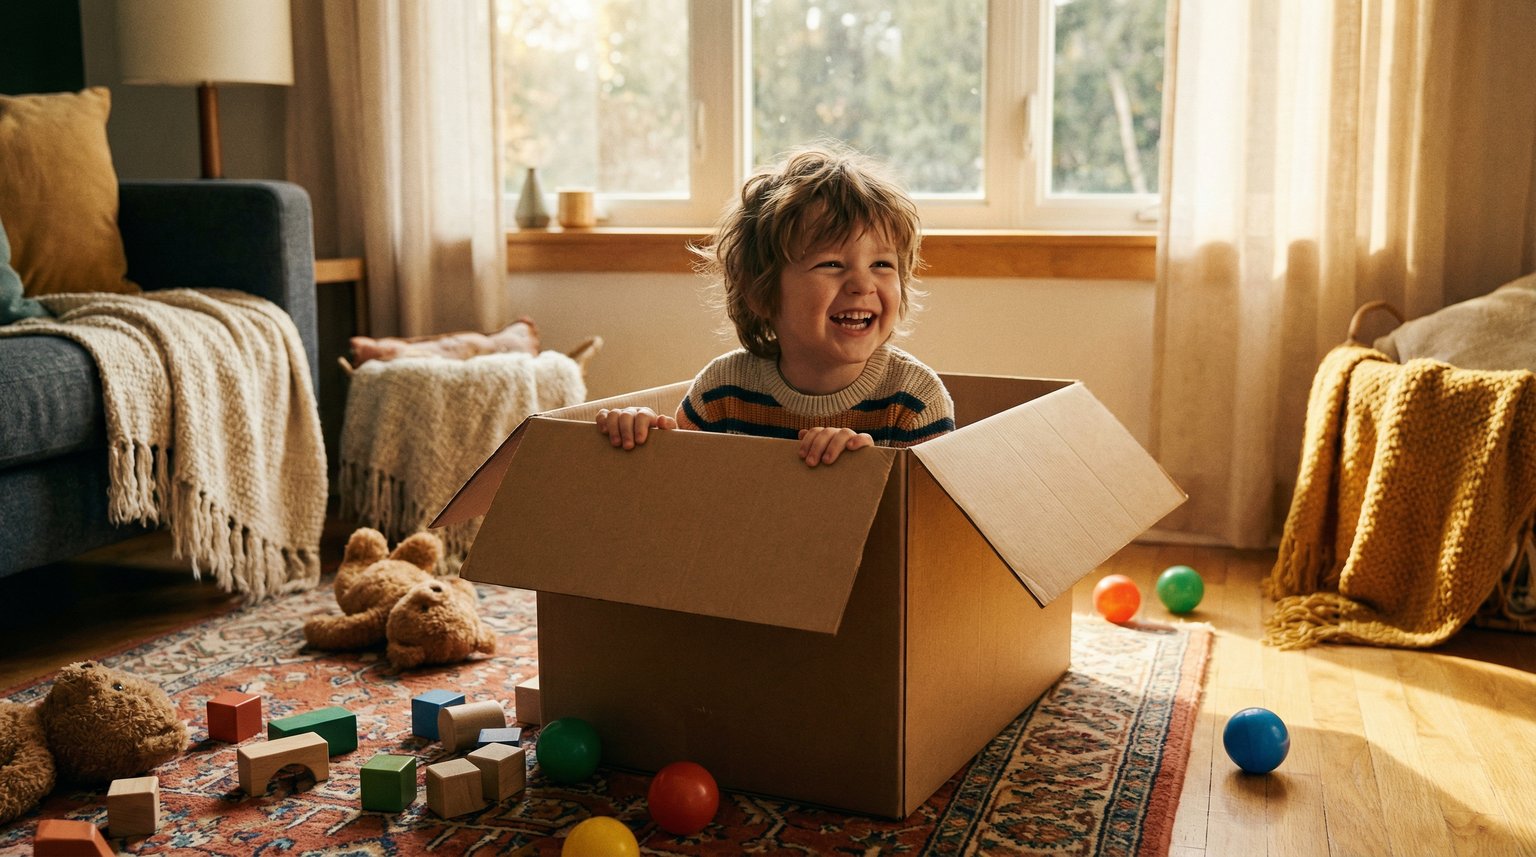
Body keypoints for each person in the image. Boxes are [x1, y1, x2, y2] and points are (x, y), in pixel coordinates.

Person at [597, 142, 955, 466]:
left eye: (882, 264)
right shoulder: (723, 390)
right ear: (760, 292)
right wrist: (642, 438)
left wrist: (861, 473)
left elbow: (929, 525)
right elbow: (685, 489)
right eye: (830, 264)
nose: (863, 285)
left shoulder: (913, 400)